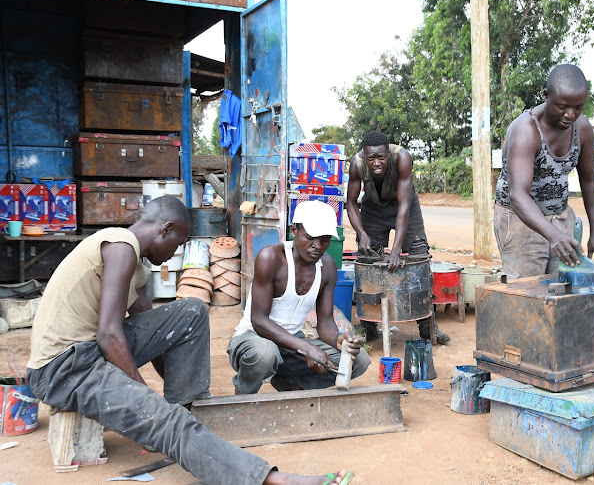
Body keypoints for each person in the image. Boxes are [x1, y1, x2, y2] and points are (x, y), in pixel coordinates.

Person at [26, 196, 352, 485]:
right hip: (64, 368)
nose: (174, 254)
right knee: (167, 420)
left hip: (87, 352)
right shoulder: (121, 248)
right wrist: (148, 402)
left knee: (192, 310)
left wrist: (176, 401)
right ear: (165, 229)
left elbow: (156, 334)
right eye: (178, 244)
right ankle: (269, 478)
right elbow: (109, 334)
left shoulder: (135, 269)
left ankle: (188, 405)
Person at [228, 200, 370, 394]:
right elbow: (259, 320)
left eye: (325, 239)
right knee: (265, 354)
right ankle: (242, 396)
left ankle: (290, 383)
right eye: (310, 238)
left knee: (359, 360)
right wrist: (306, 347)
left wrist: (338, 338)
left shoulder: (327, 267)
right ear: (294, 230)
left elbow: (325, 322)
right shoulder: (271, 258)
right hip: (253, 338)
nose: (318, 246)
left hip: (292, 344)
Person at [494, 64, 594, 279]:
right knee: (527, 288)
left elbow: (590, 180)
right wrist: (553, 235)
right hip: (519, 218)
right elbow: (518, 195)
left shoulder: (582, 129)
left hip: (559, 215)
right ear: (546, 96)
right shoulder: (526, 131)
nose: (570, 114)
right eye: (563, 106)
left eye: (578, 107)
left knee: (564, 286)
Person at [346, 130, 451, 344]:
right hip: (373, 208)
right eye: (371, 158)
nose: (376, 163)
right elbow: (350, 203)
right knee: (368, 259)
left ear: (388, 153)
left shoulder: (402, 158)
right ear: (364, 156)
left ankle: (427, 325)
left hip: (405, 207)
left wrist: (396, 251)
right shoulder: (356, 164)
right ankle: (369, 324)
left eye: (381, 157)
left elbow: (403, 207)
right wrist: (362, 234)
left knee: (420, 257)